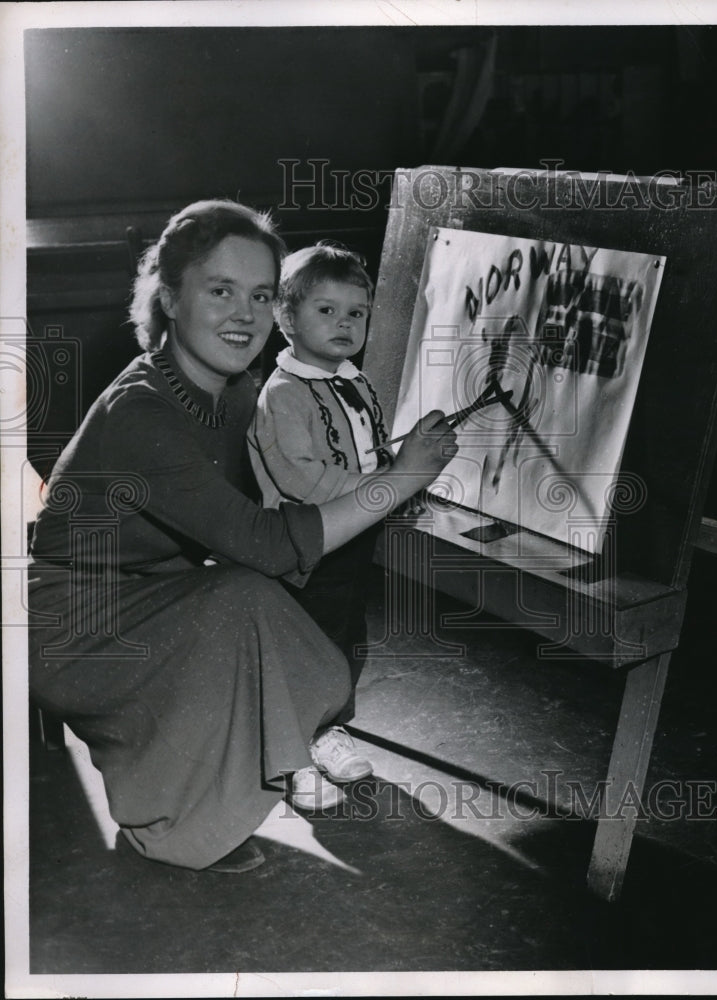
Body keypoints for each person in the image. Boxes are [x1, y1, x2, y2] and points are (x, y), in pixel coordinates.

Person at [27, 199, 457, 875]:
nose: (245, 315)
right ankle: (168, 817)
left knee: (254, 597)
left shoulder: (233, 391)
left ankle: (262, 760)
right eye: (220, 290)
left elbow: (264, 515)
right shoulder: (142, 410)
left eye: (260, 294)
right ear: (168, 297)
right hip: (69, 626)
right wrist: (401, 480)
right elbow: (260, 541)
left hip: (156, 600)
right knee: (243, 593)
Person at [248, 243, 391, 744]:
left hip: (353, 533)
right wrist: (383, 487)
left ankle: (331, 725)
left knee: (349, 631)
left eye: (356, 313)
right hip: (308, 543)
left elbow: (370, 447)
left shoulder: (355, 380)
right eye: (326, 311)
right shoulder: (284, 392)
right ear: (286, 317)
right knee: (314, 637)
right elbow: (302, 479)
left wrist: (396, 465)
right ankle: (307, 735)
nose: (344, 324)